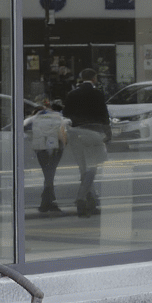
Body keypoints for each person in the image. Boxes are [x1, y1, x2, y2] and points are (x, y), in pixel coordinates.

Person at [63, 69, 110, 217]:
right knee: (93, 168)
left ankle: (91, 202)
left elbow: (66, 115)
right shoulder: (97, 94)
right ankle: (82, 198)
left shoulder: (72, 94)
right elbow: (104, 115)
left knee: (83, 169)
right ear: (94, 78)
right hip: (93, 133)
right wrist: (108, 134)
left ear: (81, 78)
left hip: (75, 134)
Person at [26, 101, 69, 217]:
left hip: (40, 148)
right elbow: (61, 132)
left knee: (48, 175)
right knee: (50, 175)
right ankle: (48, 203)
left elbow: (27, 129)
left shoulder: (35, 118)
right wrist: (64, 144)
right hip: (55, 147)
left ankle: (46, 203)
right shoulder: (57, 117)